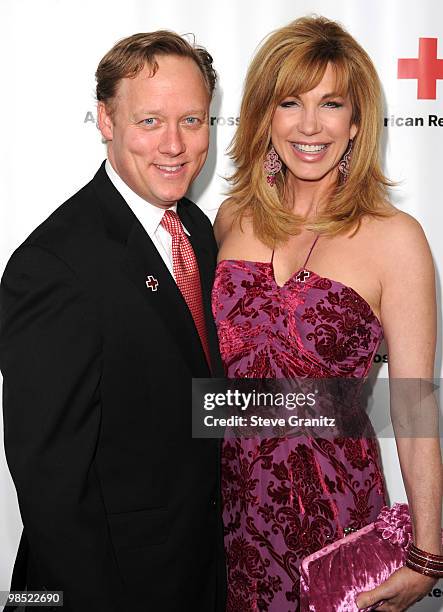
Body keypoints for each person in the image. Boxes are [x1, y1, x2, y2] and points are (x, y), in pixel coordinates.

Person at [212, 16, 442, 611]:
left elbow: (414, 401)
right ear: (265, 115)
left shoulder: (396, 239)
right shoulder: (231, 219)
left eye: (331, 104)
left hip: (335, 523)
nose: (310, 126)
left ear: (357, 121)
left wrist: (428, 552)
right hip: (225, 519)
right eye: (290, 102)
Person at [0, 31, 226, 611]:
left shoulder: (198, 232)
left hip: (196, 573)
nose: (174, 145)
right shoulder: (52, 266)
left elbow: (194, 402)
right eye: (149, 121)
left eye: (193, 121)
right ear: (105, 120)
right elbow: (52, 487)